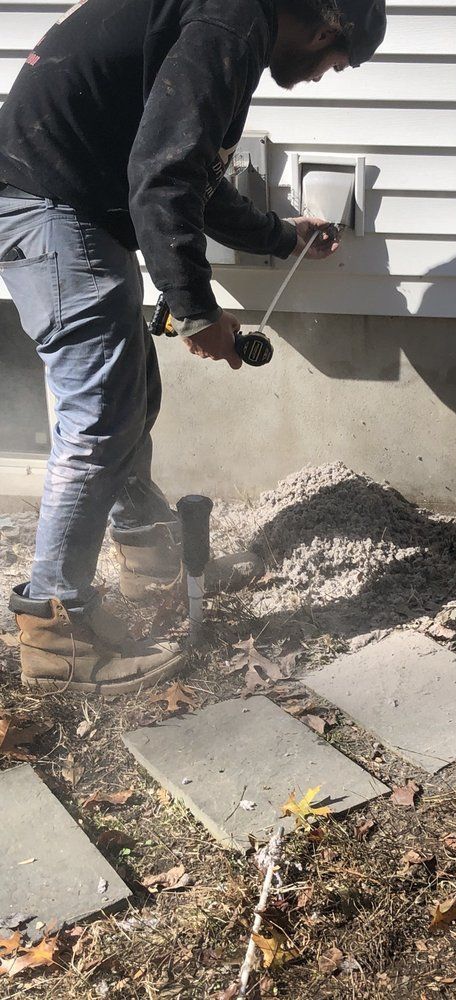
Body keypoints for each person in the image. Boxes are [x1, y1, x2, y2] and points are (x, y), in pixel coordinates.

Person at [0, 0, 386, 694]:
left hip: (69, 200)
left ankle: (147, 553)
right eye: (337, 61)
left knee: (130, 397)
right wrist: (196, 311)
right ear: (330, 25)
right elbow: (163, 174)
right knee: (99, 418)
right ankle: (54, 635)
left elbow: (189, 173)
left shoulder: (227, 19)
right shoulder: (232, 21)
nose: (327, 75)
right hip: (50, 202)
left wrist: (279, 234)